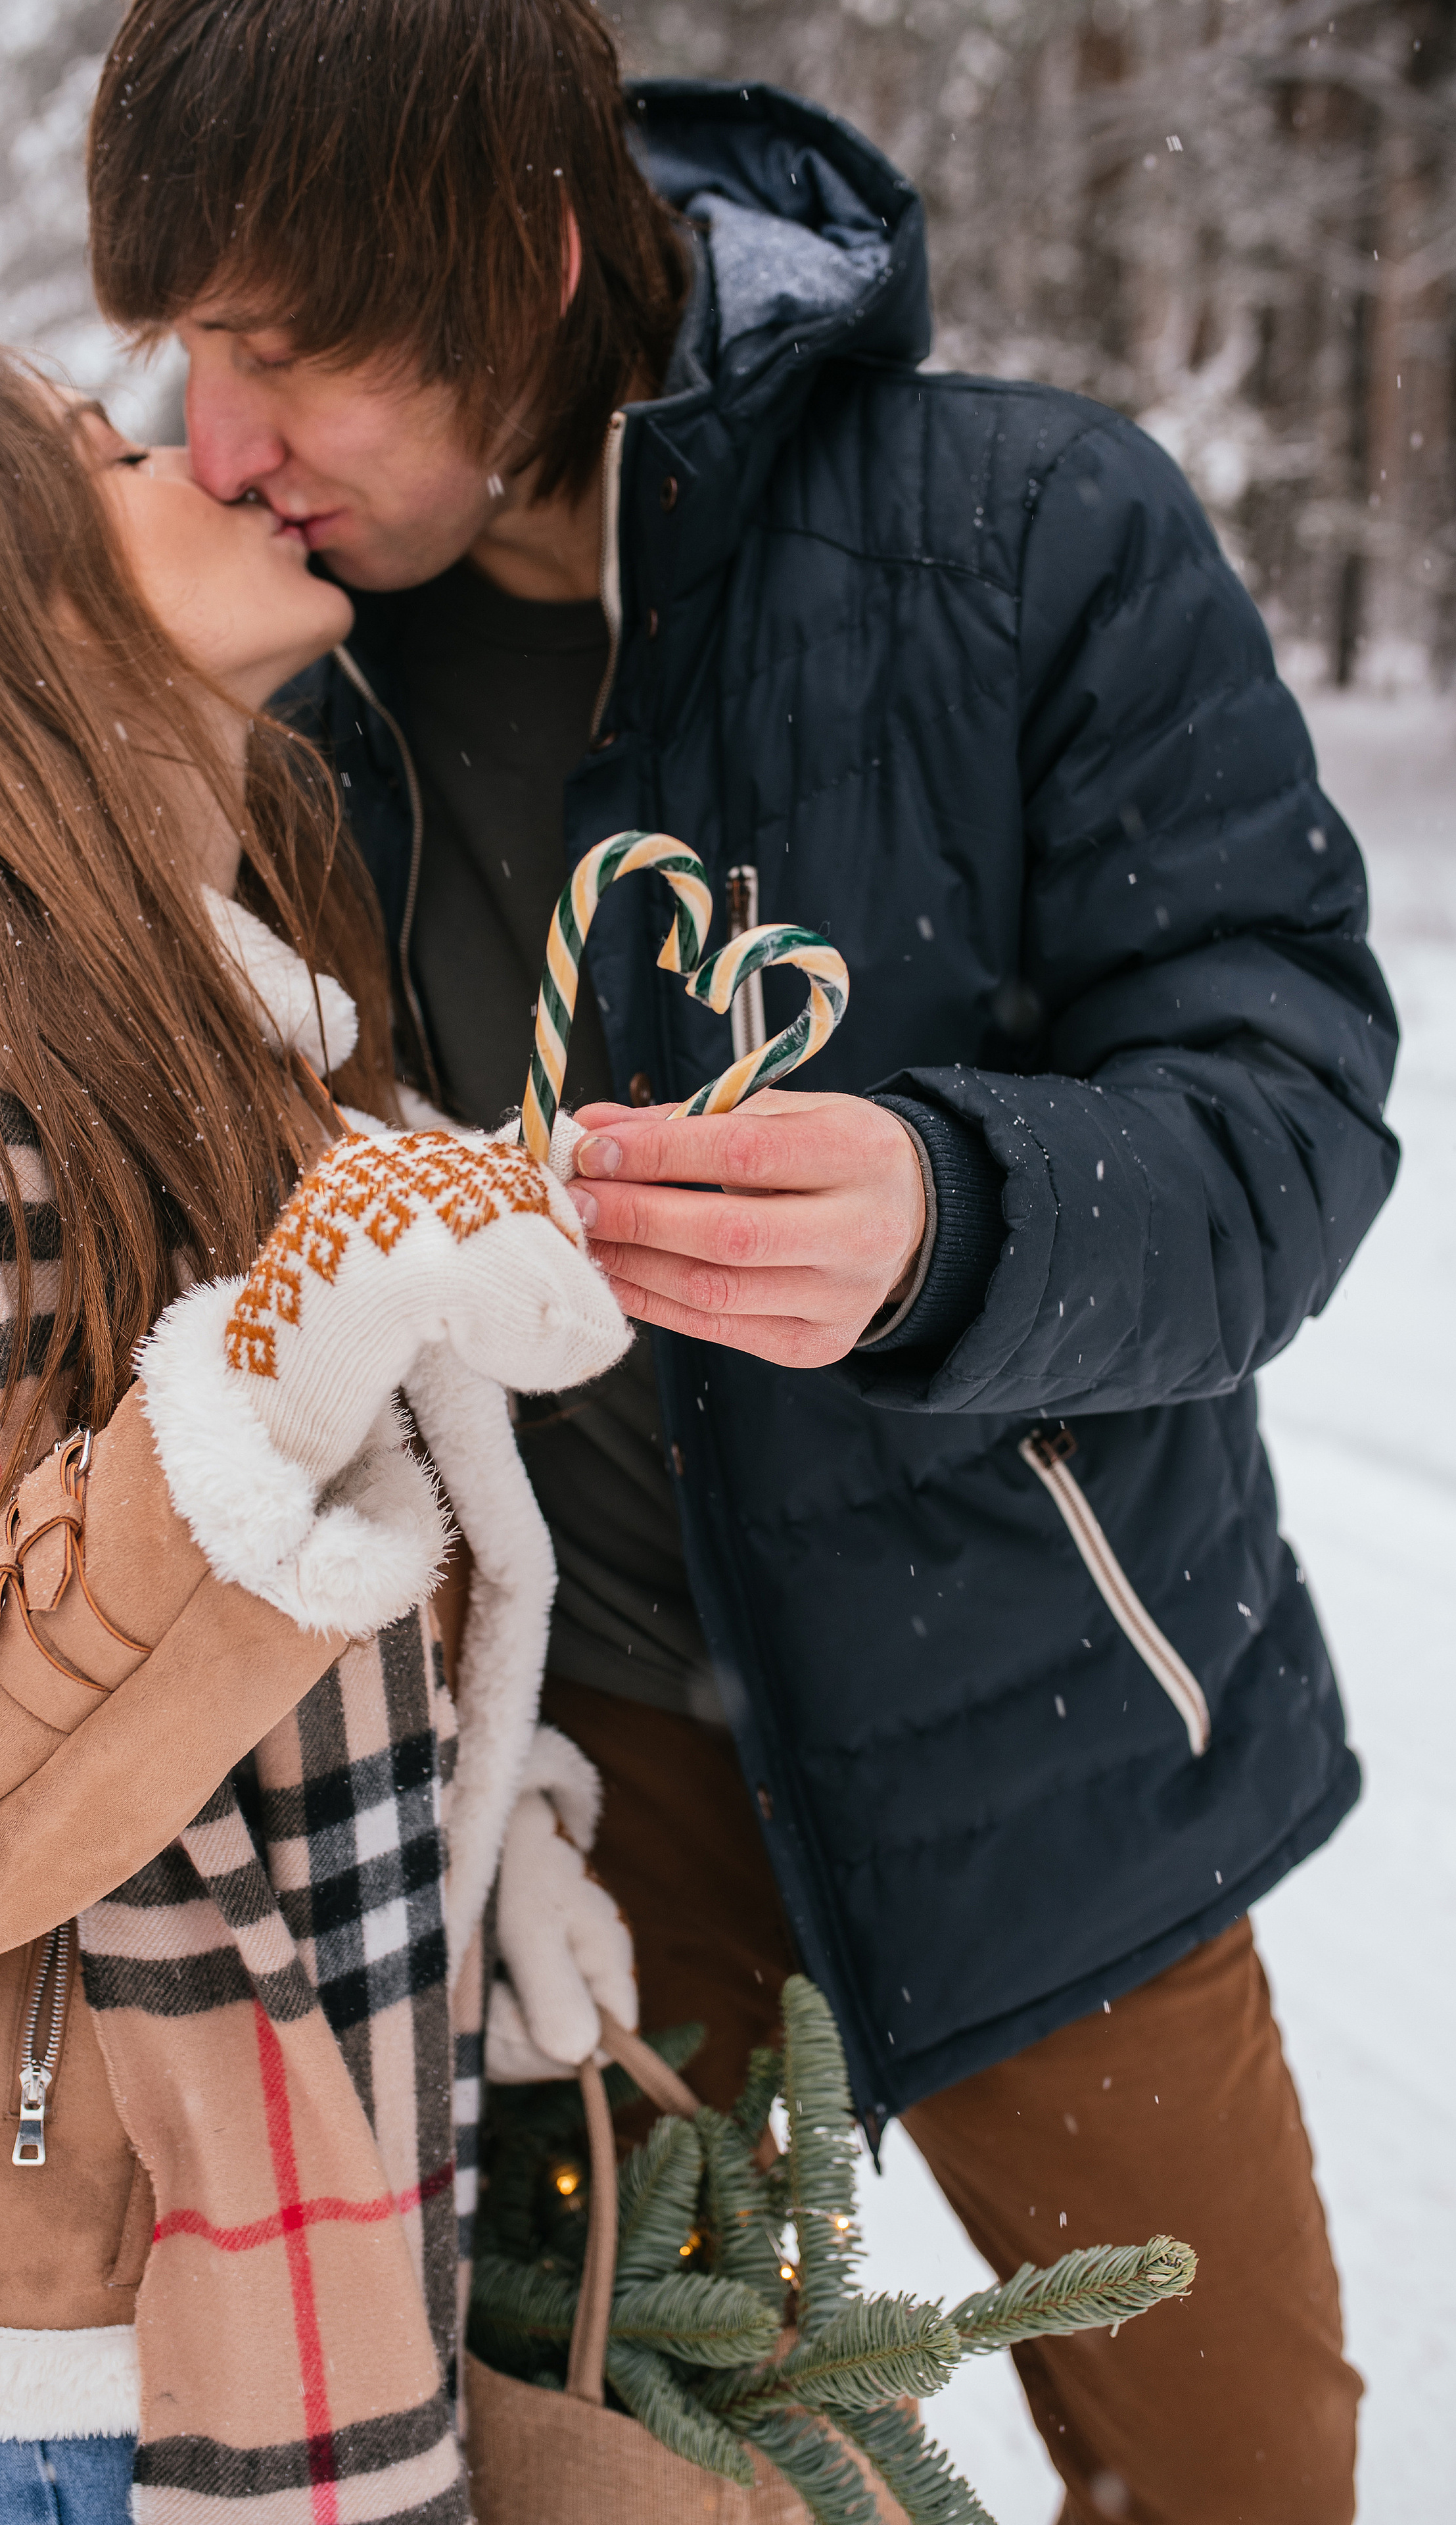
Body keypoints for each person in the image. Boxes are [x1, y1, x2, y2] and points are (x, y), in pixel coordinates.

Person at [86, 5, 1398, 2517]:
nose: (216, 435)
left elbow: (1287, 1109)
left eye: (288, 348)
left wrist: (960, 1211)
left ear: (529, 256)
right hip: (578, 1792)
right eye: (184, 345)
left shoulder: (1031, 537)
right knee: (640, 2477)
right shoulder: (264, 650)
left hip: (1048, 1752)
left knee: (1233, 2475)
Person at [0, 341, 636, 2524]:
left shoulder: (210, 1004)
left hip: (263, 2235)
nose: (201, 454)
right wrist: (265, 1387)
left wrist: (485, 1816)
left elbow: (226, 1684)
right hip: (81, 2373)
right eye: (115, 454)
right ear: (14, 611)